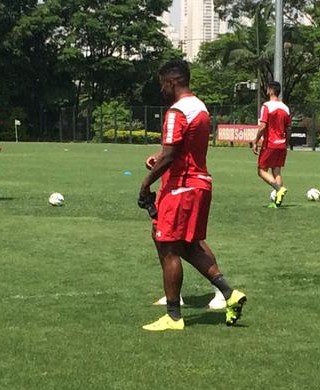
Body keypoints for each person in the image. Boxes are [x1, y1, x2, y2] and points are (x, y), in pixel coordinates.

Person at [138, 59, 246, 331]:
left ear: (171, 82)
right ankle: (229, 293)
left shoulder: (176, 112)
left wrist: (145, 183)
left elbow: (172, 154)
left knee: (167, 246)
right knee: (188, 244)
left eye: (162, 84)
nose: (161, 90)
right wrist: (159, 157)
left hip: (181, 187)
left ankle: (173, 316)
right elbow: (178, 150)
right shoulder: (200, 107)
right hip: (198, 183)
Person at [145, 154, 226, 310]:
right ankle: (173, 293)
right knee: (159, 233)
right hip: (171, 176)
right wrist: (160, 156)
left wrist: (147, 181)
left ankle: (221, 291)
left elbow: (180, 147)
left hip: (183, 180)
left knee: (189, 238)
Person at [253, 81, 291, 208]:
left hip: (270, 143)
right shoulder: (286, 108)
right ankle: (277, 202)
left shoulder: (267, 106)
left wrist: (256, 140)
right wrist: (287, 143)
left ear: (270, 90)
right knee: (277, 171)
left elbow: (263, 125)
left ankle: (278, 189)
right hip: (282, 144)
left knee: (261, 170)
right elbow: (288, 128)